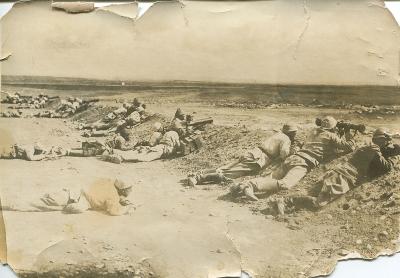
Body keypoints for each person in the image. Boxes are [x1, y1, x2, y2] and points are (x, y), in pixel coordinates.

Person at [230, 116, 356, 201]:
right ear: (333, 127)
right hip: (303, 162)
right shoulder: (330, 135)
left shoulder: (313, 131)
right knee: (286, 184)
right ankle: (251, 186)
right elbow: (348, 147)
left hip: (293, 158)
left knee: (270, 178)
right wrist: (350, 136)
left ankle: (242, 185)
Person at [279, 128, 400, 212]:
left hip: (339, 173)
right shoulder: (374, 148)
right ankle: (287, 200)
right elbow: (386, 167)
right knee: (319, 203)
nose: (388, 143)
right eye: (387, 140)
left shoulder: (369, 146)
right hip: (344, 177)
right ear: (380, 139)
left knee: (313, 194)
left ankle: (286, 202)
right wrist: (396, 155)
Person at [187, 124, 300, 187]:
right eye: (294, 133)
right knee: (229, 174)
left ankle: (199, 173)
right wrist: (294, 150)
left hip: (253, 152)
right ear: (290, 132)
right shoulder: (286, 139)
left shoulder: (278, 134)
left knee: (227, 167)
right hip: (259, 159)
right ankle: (198, 178)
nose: (295, 135)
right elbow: (284, 154)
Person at [6, 178, 134, 216]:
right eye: (129, 188)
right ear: (122, 189)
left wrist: (121, 200)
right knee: (28, 205)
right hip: (68, 198)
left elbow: (102, 195)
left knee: (32, 202)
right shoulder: (112, 195)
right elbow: (113, 211)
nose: (130, 190)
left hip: (70, 192)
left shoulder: (109, 183)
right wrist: (127, 209)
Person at [102, 130, 181, 163]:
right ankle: (121, 157)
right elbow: (178, 146)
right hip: (161, 150)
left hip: (158, 147)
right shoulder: (175, 134)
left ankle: (114, 152)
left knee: (140, 152)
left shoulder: (168, 133)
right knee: (144, 157)